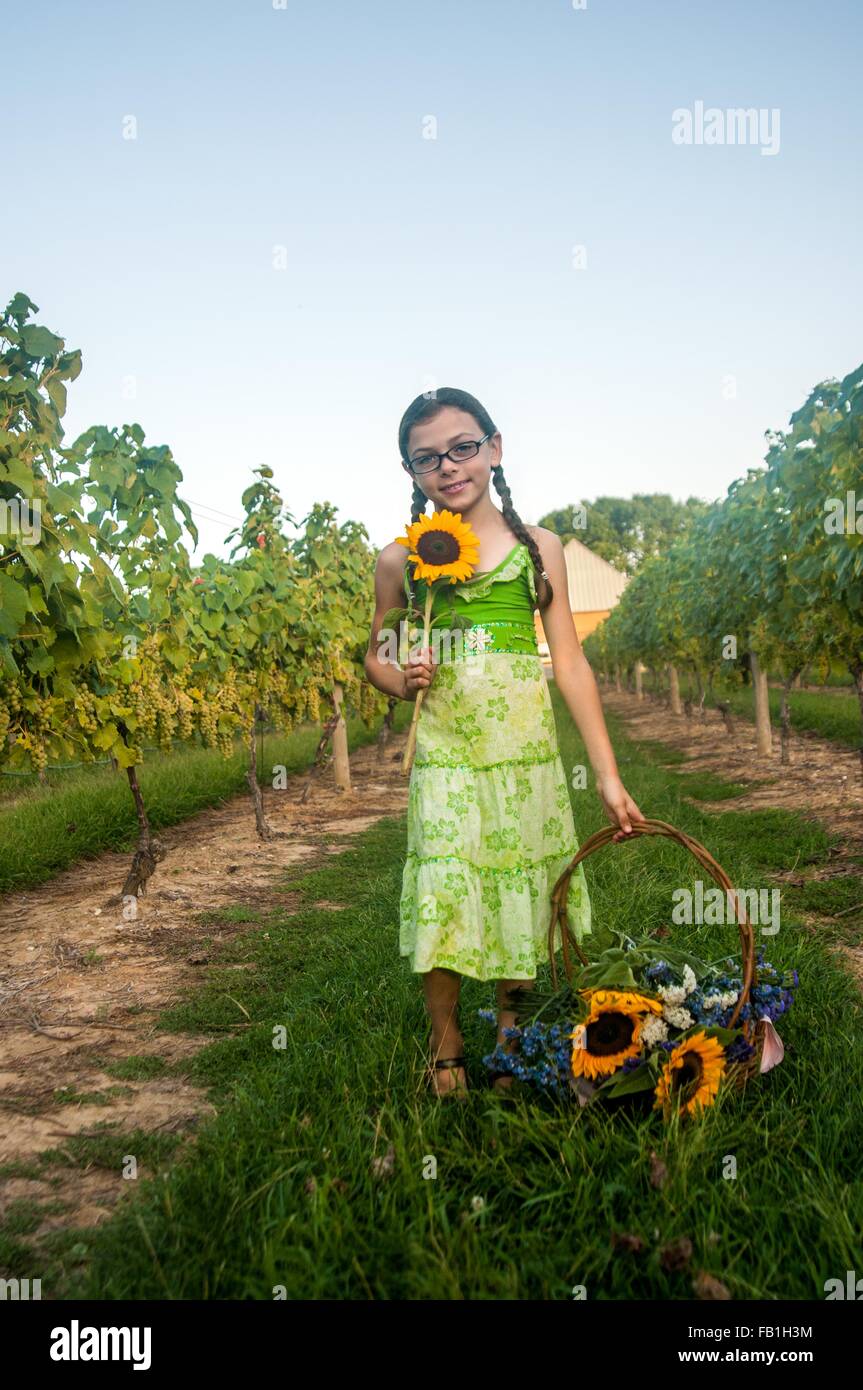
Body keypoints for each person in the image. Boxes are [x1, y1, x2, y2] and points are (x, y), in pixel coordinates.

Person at [364, 388, 645, 1097]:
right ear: (410, 471)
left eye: (462, 447)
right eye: (426, 458)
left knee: (520, 877)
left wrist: (607, 776)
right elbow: (377, 653)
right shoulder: (400, 560)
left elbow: (571, 666)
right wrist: (402, 678)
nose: (447, 467)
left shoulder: (536, 548)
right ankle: (446, 1035)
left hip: (522, 750)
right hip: (448, 747)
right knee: (446, 878)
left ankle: (510, 1032)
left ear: (494, 447)